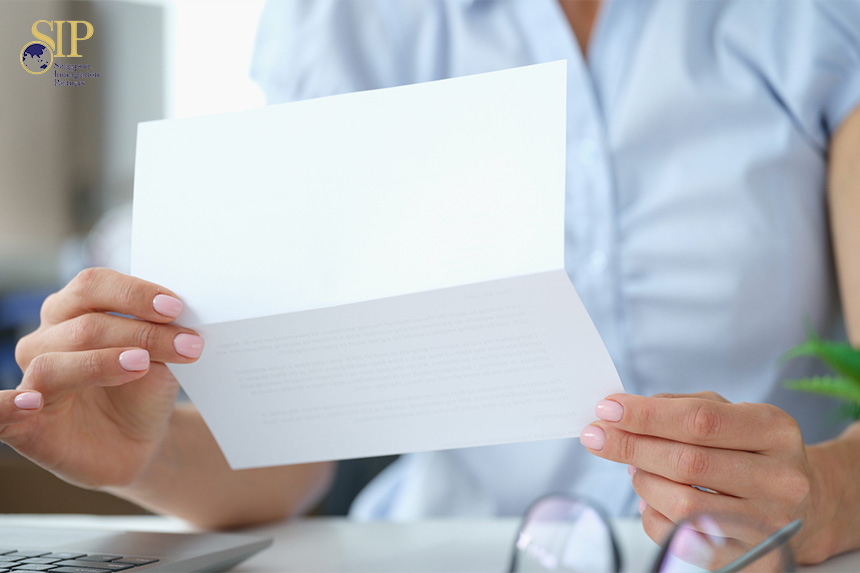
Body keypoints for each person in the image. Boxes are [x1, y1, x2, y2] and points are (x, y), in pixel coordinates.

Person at [4, 0, 860, 565]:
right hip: (441, 550)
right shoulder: (347, 20)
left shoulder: (810, 19)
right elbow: (301, 444)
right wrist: (152, 456)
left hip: (762, 558)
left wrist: (825, 492)